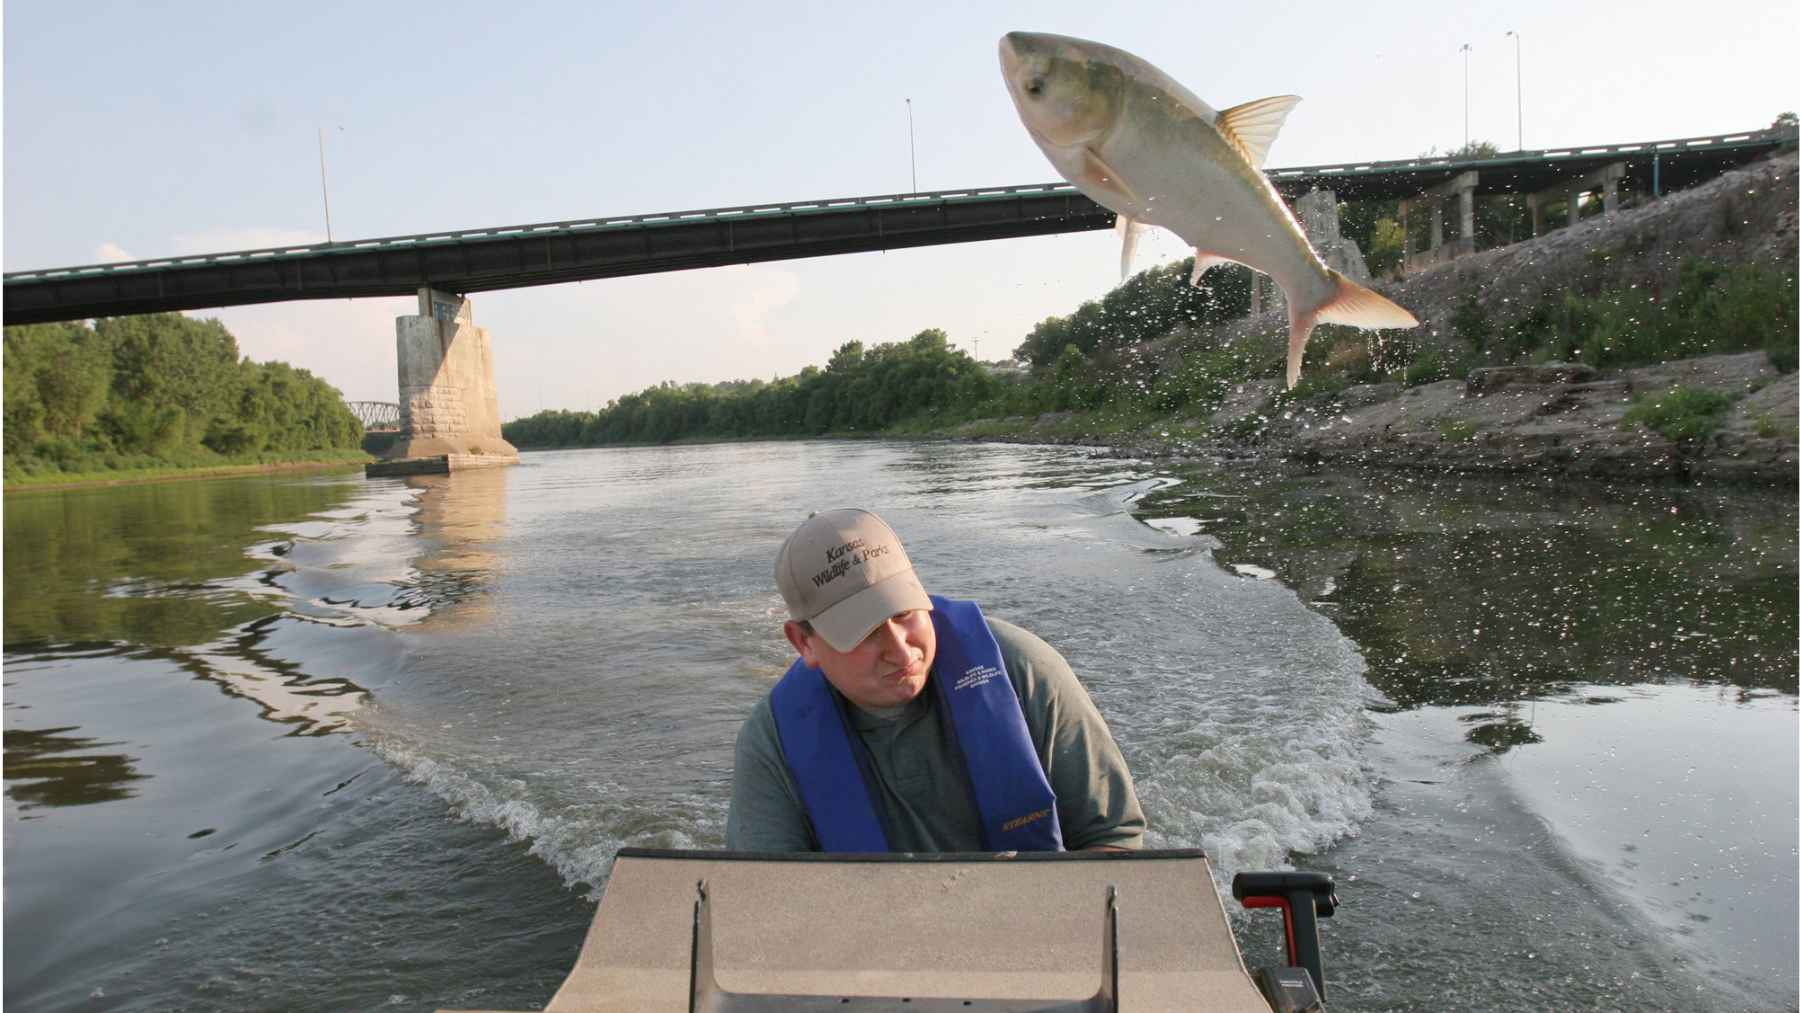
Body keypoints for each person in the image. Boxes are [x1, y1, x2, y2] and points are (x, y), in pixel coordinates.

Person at [727, 508, 1145, 852]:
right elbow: (765, 900)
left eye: (904, 612)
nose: (901, 650)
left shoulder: (1025, 670)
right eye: (865, 631)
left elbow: (1112, 841)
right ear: (804, 643)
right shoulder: (773, 742)